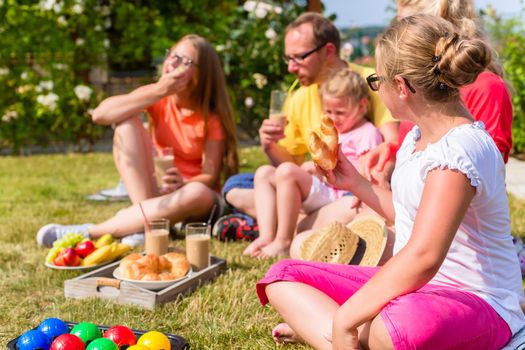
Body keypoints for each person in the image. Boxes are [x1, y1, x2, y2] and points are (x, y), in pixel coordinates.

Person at [256, 15, 525, 349]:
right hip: (418, 290)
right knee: (282, 277)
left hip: (477, 300)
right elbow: (410, 220)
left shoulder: (459, 150)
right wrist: (354, 181)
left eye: (375, 81)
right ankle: (347, 336)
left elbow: (424, 255)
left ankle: (334, 331)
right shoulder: (416, 137)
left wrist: (346, 317)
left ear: (400, 86)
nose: (376, 89)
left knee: (397, 327)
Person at [36, 34, 238, 246]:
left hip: (194, 199)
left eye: (185, 61)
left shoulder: (211, 116)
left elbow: (209, 176)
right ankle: (147, 226)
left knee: (197, 192)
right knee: (126, 124)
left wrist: (183, 183)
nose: (173, 63)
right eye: (172, 55)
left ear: (203, 73)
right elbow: (100, 114)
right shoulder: (159, 96)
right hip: (157, 195)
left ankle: (91, 231)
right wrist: (159, 90)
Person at [214, 12, 398, 239]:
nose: (291, 67)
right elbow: (289, 167)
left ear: (328, 51)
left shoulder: (369, 81)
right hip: (316, 186)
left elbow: (391, 147)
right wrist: (269, 145)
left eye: (299, 57)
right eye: (288, 58)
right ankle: (299, 222)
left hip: (352, 190)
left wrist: (370, 182)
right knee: (235, 185)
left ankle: (284, 224)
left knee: (255, 192)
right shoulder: (298, 97)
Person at [361, 0, 513, 182]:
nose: (396, 31)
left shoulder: (486, 86)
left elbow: (484, 169)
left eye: (405, 23)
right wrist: (392, 151)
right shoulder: (417, 93)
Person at [245, 69, 382, 258]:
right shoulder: (335, 131)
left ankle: (283, 241)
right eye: (328, 111)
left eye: (340, 112)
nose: (333, 118)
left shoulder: (367, 133)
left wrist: (323, 170)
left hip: (342, 195)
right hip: (326, 189)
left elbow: (368, 172)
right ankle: (266, 237)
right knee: (264, 173)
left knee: (286, 171)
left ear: (361, 107)